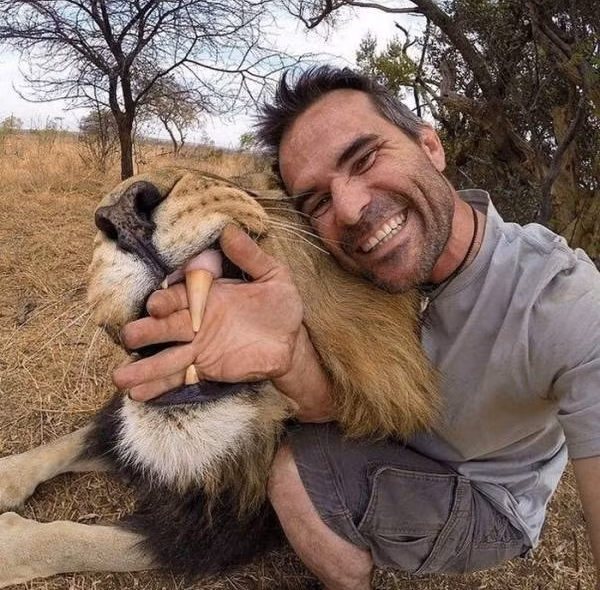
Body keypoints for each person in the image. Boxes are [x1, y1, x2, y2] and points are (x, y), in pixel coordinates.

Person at [112, 66, 600, 590]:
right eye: (317, 201)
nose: (350, 209)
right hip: (404, 447)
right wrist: (293, 354)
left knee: (289, 473)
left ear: (431, 146)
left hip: (487, 494)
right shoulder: (367, 266)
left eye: (365, 158)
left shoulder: (564, 301)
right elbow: (352, 409)